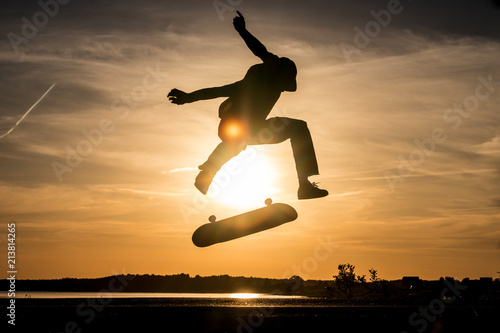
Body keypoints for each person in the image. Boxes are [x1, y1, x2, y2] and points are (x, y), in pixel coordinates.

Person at [168, 11, 328, 200]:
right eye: (282, 84)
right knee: (239, 136)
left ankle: (304, 186)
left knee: (298, 128)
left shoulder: (272, 64)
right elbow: (216, 90)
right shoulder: (251, 85)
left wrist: (243, 31)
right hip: (231, 127)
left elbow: (259, 49)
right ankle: (207, 173)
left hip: (258, 130)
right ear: (276, 77)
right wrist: (188, 97)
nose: (283, 89)